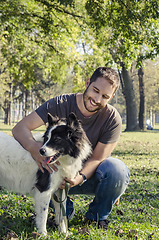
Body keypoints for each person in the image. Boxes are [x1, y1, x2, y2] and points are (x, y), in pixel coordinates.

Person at [12, 67, 130, 230]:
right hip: (55, 174)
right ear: (88, 83)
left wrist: (78, 178)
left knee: (117, 170)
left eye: (104, 96)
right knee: (45, 167)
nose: (96, 99)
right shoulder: (60, 103)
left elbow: (97, 158)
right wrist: (34, 148)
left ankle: (96, 217)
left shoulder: (112, 119)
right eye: (95, 90)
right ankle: (64, 211)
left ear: (111, 97)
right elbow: (20, 128)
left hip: (85, 177)